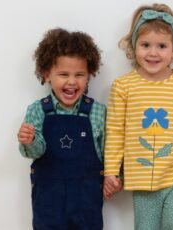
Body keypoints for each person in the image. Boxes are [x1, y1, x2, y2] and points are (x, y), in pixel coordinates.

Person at [103, 3, 173, 230]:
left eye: (162, 45)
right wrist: (111, 170)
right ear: (134, 46)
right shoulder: (123, 86)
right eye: (145, 45)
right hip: (141, 174)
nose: (153, 52)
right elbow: (115, 131)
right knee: (145, 227)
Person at [17, 28, 107, 230]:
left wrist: (114, 176)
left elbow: (109, 150)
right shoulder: (38, 110)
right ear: (47, 73)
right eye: (63, 74)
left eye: (79, 74)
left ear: (89, 75)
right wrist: (29, 141)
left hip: (87, 202)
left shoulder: (98, 112)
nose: (72, 81)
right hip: (48, 201)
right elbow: (36, 151)